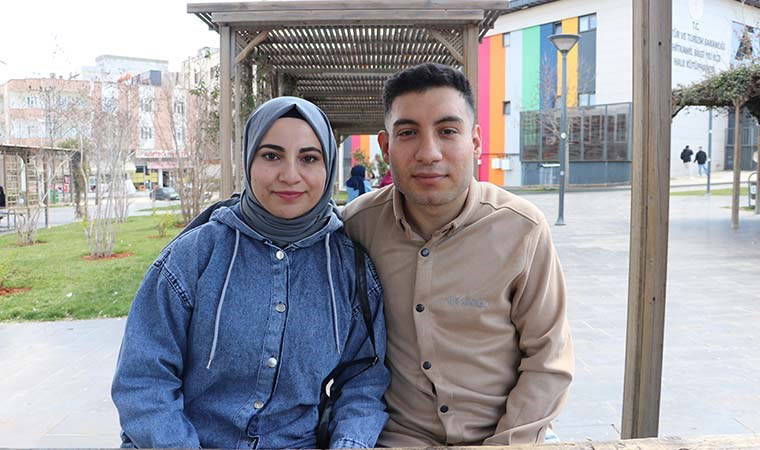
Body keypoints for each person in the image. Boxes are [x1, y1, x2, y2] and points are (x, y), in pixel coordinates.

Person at [112, 97, 389, 449]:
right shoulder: (194, 256)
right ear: (248, 161)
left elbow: (364, 379)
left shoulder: (349, 267)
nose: (290, 175)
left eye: (308, 158)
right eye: (271, 156)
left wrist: (349, 443)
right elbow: (143, 381)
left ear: (328, 167)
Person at [342, 63, 574, 446]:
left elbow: (548, 359)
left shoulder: (521, 229)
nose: (429, 153)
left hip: (503, 436)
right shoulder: (357, 227)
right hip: (396, 439)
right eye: (408, 133)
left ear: (476, 141)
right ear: (385, 147)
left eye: (447, 131)